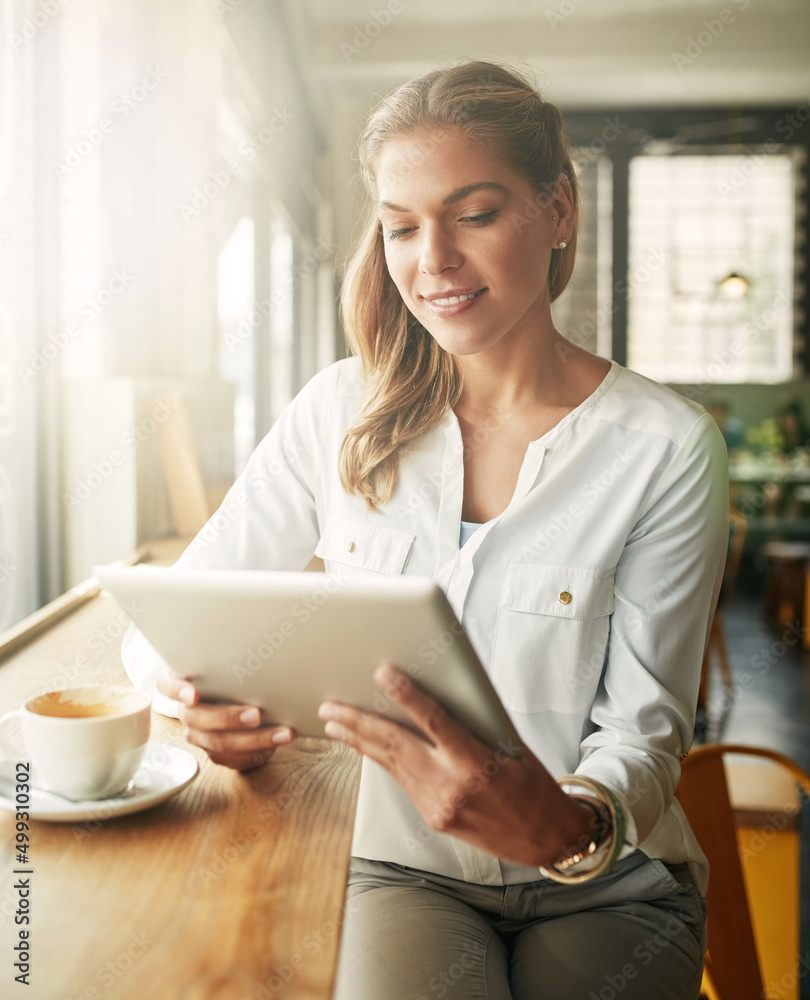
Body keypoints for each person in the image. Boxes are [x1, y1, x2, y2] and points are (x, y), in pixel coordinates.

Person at [122, 59, 729, 999]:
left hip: (605, 880)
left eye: (476, 214)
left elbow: (647, 732)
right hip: (398, 870)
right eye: (402, 227)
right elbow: (159, 627)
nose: (433, 260)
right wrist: (185, 698)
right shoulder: (338, 412)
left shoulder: (666, 446)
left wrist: (570, 827)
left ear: (557, 210)